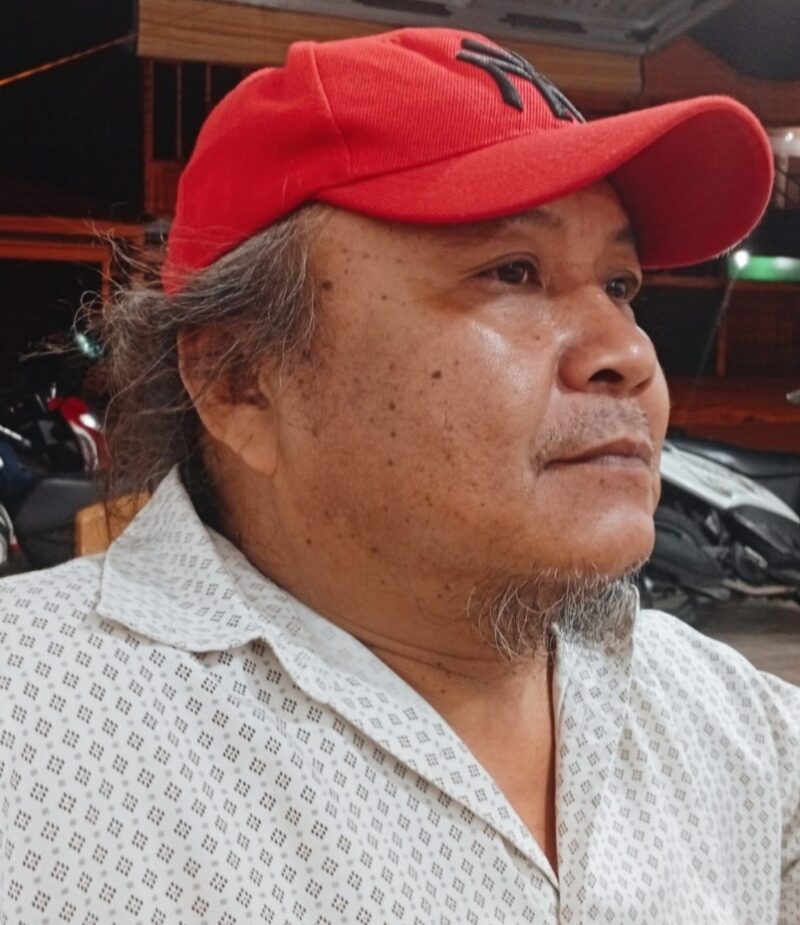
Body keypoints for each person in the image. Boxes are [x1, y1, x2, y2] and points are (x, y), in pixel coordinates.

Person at [0, 26, 796, 925]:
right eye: (513, 271)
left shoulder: (736, 726)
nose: (629, 353)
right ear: (240, 381)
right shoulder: (33, 733)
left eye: (620, 285)